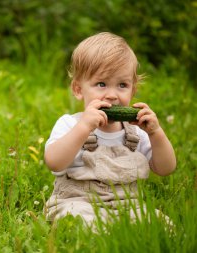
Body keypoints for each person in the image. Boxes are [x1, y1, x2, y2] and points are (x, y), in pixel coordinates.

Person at [44, 32, 176, 224]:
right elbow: (54, 162)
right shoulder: (70, 124)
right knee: (82, 221)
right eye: (101, 84)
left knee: (161, 223)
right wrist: (83, 128)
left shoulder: (136, 133)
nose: (112, 95)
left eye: (122, 85)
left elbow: (166, 168)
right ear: (78, 90)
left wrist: (156, 133)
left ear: (133, 90)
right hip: (78, 202)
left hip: (128, 206)